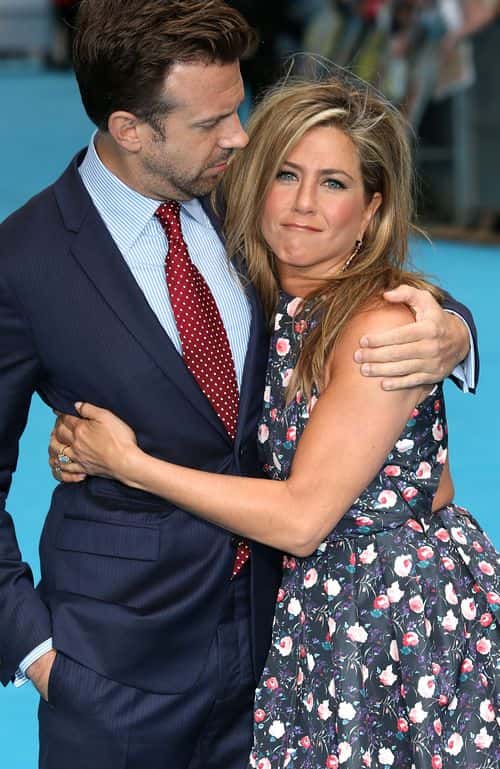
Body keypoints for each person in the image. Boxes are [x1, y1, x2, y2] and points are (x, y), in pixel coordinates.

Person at [0, 0, 475, 765]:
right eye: (210, 122)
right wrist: (37, 653)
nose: (241, 138)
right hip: (114, 667)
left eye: (240, 108)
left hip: (287, 648)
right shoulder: (23, 261)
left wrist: (451, 330)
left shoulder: (243, 200)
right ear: (130, 128)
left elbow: (358, 269)